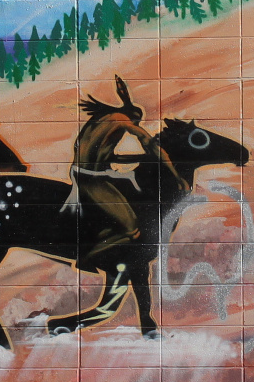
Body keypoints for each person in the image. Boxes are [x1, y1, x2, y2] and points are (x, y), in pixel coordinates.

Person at [64, 76, 183, 274]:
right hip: (91, 181)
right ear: (133, 117)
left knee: (128, 189)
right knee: (132, 226)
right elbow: (151, 145)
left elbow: (103, 155)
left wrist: (135, 158)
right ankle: (88, 257)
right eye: (137, 121)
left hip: (81, 172)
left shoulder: (100, 121)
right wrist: (174, 173)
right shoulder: (124, 121)